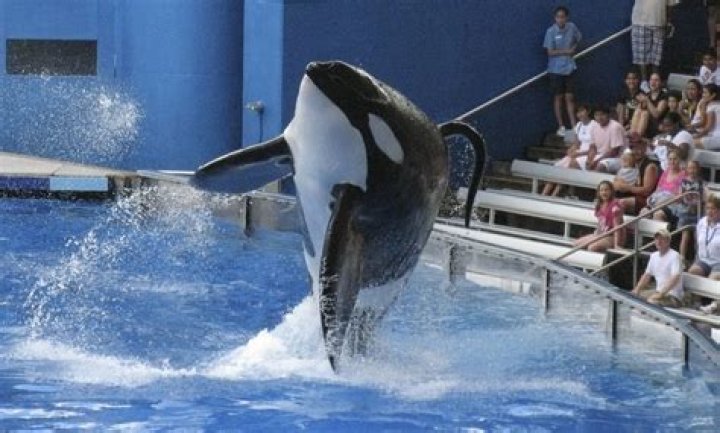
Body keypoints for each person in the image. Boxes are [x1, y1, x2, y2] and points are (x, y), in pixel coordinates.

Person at [541, 104, 597, 196]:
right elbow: (575, 143)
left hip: (588, 155)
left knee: (565, 170)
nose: (580, 114)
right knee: (556, 168)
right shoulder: (578, 125)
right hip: (576, 153)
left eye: (582, 111)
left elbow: (595, 148)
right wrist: (571, 150)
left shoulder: (595, 125)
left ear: (588, 111)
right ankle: (543, 195)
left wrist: (579, 154)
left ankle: (554, 196)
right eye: (578, 112)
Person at [544, 6, 582, 137]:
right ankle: (561, 126)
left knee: (569, 97)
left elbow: (578, 38)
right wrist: (566, 51)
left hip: (570, 67)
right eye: (558, 17)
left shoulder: (572, 27)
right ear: (555, 18)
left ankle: (574, 125)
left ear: (567, 18)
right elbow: (550, 52)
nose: (560, 19)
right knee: (558, 97)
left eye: (563, 17)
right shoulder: (550, 32)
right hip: (555, 70)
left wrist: (574, 48)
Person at [631, 0, 680, 90]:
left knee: (657, 56)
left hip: (659, 22)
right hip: (640, 22)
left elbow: (670, 5)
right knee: (642, 55)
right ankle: (644, 82)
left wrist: (668, 22)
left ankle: (655, 81)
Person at [631, 228, 684, 307]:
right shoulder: (653, 256)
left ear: (668, 241)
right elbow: (647, 275)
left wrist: (661, 294)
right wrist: (637, 289)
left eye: (662, 239)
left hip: (673, 296)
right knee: (633, 297)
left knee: (652, 301)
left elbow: (675, 278)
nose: (658, 241)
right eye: (657, 239)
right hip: (658, 292)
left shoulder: (675, 256)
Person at [574, 180, 626, 252]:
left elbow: (617, 227)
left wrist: (617, 245)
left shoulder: (615, 205)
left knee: (592, 248)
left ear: (611, 191)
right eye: (601, 190)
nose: (604, 192)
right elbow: (600, 223)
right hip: (601, 234)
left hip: (612, 236)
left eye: (606, 190)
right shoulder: (600, 204)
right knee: (576, 244)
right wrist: (596, 235)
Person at [616, 135, 660, 215]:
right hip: (633, 195)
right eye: (634, 149)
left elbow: (646, 191)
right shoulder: (632, 162)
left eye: (640, 148)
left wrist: (627, 187)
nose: (638, 152)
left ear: (645, 148)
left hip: (647, 200)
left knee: (621, 203)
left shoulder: (650, 166)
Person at [642, 148, 685, 222]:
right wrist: (651, 198)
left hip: (672, 204)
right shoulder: (666, 172)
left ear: (679, 160)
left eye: (675, 159)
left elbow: (679, 197)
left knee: (658, 214)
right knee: (644, 211)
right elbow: (658, 190)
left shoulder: (683, 174)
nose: (672, 162)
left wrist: (662, 203)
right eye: (670, 159)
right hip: (659, 201)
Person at [674, 160, 704, 263]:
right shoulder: (683, 182)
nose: (692, 170)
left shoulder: (700, 182)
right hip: (685, 213)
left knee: (697, 237)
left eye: (694, 168)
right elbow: (679, 195)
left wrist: (698, 202)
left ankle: (697, 258)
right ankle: (682, 258)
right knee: (685, 235)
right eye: (690, 168)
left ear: (698, 169)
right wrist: (679, 198)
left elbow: (703, 197)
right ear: (686, 169)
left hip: (697, 213)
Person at [586, 105, 627, 173]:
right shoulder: (594, 126)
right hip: (600, 156)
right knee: (574, 163)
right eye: (597, 115)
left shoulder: (615, 126)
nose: (599, 117)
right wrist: (589, 159)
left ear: (608, 115)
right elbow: (593, 147)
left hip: (618, 158)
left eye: (602, 114)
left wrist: (596, 161)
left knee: (600, 166)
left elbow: (614, 152)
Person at [636, 72, 668, 137]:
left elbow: (656, 115)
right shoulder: (647, 95)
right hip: (646, 123)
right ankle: (633, 135)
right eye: (651, 80)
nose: (653, 82)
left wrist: (647, 100)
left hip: (658, 124)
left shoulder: (664, 96)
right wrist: (640, 103)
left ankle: (637, 137)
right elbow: (640, 110)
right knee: (638, 111)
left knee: (645, 114)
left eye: (656, 80)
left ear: (661, 83)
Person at [693, 83, 720, 150]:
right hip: (715, 137)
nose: (703, 95)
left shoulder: (711, 106)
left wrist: (697, 136)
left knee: (690, 142)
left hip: (716, 138)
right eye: (703, 92)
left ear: (713, 95)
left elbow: (708, 127)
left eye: (705, 93)